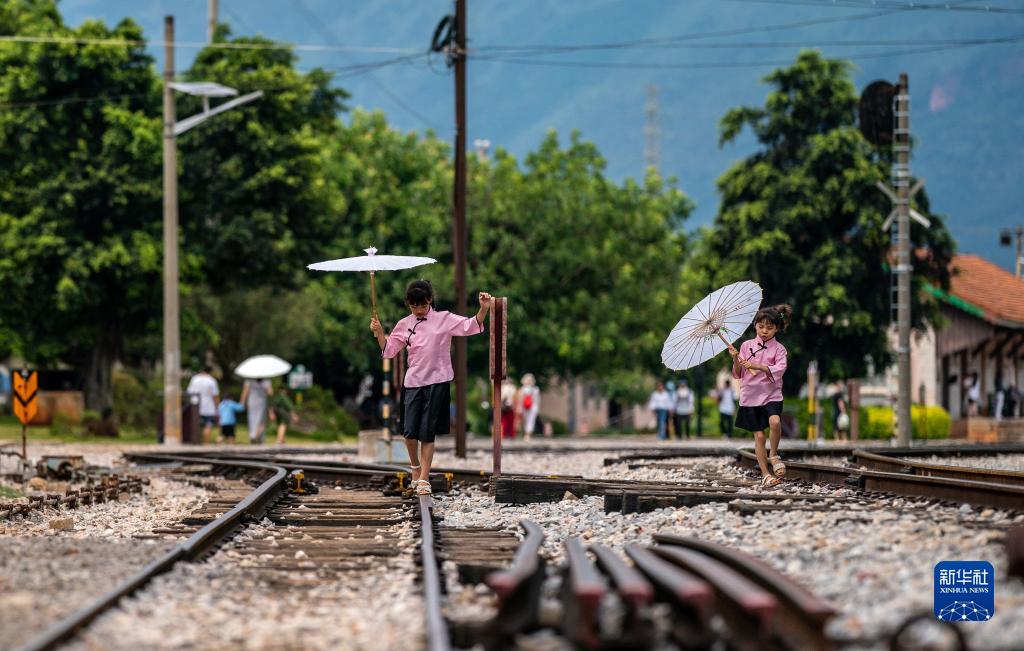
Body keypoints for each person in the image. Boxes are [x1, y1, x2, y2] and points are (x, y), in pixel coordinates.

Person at [372, 280, 491, 495]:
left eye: (422, 305)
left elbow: (470, 325)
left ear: (429, 300)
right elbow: (389, 351)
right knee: (409, 432)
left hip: (438, 380)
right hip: (413, 382)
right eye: (413, 306)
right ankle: (415, 467)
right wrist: (380, 333)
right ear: (408, 303)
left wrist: (483, 309)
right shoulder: (404, 324)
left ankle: (424, 478)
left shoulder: (444, 319)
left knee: (427, 432)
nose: (418, 310)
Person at [729, 304, 792, 488]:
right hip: (750, 397)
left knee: (774, 422)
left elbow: (780, 369)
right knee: (759, 437)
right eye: (761, 326)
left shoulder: (780, 349)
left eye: (770, 327)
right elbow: (738, 374)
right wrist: (735, 358)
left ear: (777, 328)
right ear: (755, 325)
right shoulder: (745, 346)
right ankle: (765, 475)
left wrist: (758, 366)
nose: (764, 331)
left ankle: (773, 454)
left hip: (772, 395)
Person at [186, 365, 219, 444]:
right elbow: (215, 396)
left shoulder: (194, 379)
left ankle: (196, 441)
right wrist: (217, 407)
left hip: (195, 406)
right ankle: (206, 443)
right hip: (208, 407)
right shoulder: (212, 380)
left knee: (196, 425)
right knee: (208, 425)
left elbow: (189, 392)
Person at [241, 378, 272, 444]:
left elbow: (245, 392)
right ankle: (256, 436)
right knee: (261, 421)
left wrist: (242, 402)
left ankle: (253, 435)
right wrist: (264, 388)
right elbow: (270, 393)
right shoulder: (266, 381)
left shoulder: (249, 381)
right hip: (261, 403)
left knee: (252, 420)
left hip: (251, 402)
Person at [519, 373, 541, 441]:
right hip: (529, 407)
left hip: (530, 407)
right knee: (529, 421)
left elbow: (521, 399)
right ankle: (527, 434)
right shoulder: (535, 389)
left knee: (529, 421)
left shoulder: (523, 389)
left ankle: (527, 434)